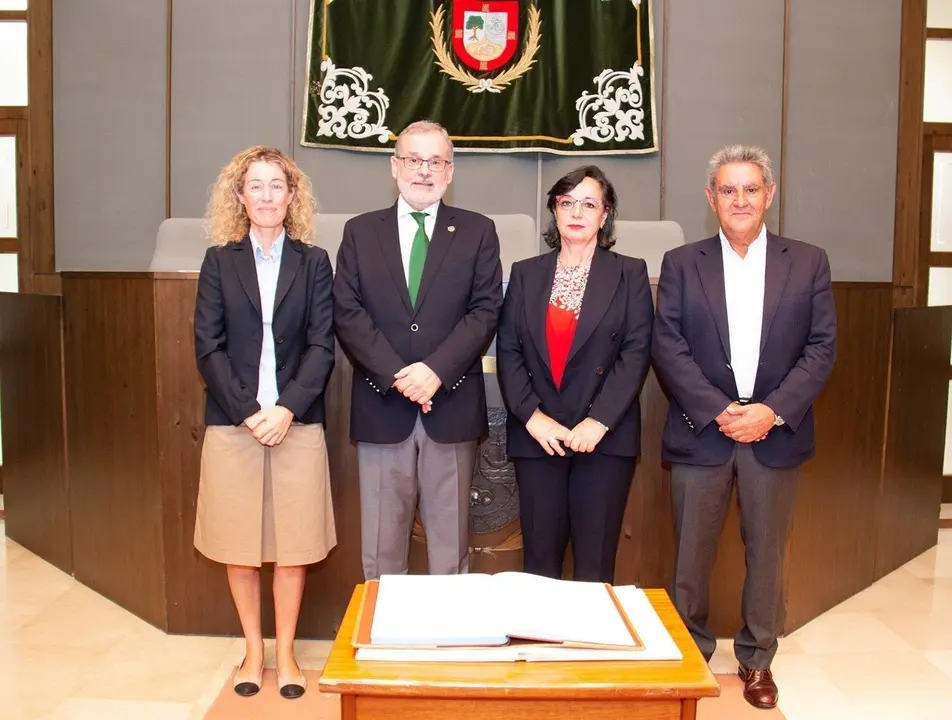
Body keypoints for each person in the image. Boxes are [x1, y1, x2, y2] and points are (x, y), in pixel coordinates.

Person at [652, 145, 836, 710]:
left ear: (769, 195)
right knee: (691, 557)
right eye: (727, 190)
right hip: (702, 431)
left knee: (767, 555)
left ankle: (757, 660)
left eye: (750, 189)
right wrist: (719, 410)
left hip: (775, 432)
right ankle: (691, 654)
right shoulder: (683, 263)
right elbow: (669, 346)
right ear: (711, 199)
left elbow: (821, 348)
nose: (739, 200)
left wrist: (769, 411)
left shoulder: (807, 261)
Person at [193, 146, 336, 700]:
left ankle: (289, 655)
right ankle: (254, 652)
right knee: (240, 546)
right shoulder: (219, 262)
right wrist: (251, 412)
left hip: (296, 424)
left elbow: (323, 346)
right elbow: (208, 347)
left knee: (294, 547)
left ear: (292, 196)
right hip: (235, 425)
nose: (268, 196)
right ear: (240, 196)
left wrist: (287, 408)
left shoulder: (314, 262)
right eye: (257, 186)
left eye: (278, 186)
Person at [333, 120, 503, 580]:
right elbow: (348, 312)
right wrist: (398, 374)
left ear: (450, 172)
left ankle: (447, 646)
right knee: (381, 551)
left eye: (436, 161)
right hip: (382, 404)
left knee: (450, 551)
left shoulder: (477, 231)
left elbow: (485, 311)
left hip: (449, 407)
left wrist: (434, 371)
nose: (424, 171)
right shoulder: (360, 232)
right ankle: (386, 644)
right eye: (413, 159)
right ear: (395, 166)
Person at [496, 165, 653, 583]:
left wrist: (598, 421)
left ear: (605, 215)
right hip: (539, 437)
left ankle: (591, 647)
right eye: (567, 202)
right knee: (540, 563)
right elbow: (509, 350)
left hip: (603, 438)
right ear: (554, 210)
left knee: (594, 563)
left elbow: (635, 353)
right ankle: (540, 645)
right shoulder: (526, 273)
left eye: (589, 203)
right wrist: (531, 416)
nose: (577, 212)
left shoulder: (629, 272)